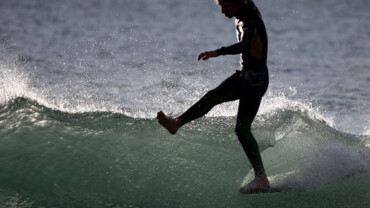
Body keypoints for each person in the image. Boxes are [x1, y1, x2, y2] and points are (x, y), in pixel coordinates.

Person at [157, 0, 270, 193]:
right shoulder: (245, 9)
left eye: (226, 6)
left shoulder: (249, 20)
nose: (223, 12)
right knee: (213, 96)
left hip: (255, 79)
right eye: (221, 7)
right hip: (246, 75)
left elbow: (247, 45)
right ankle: (176, 123)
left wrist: (218, 52)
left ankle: (261, 178)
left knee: (242, 129)